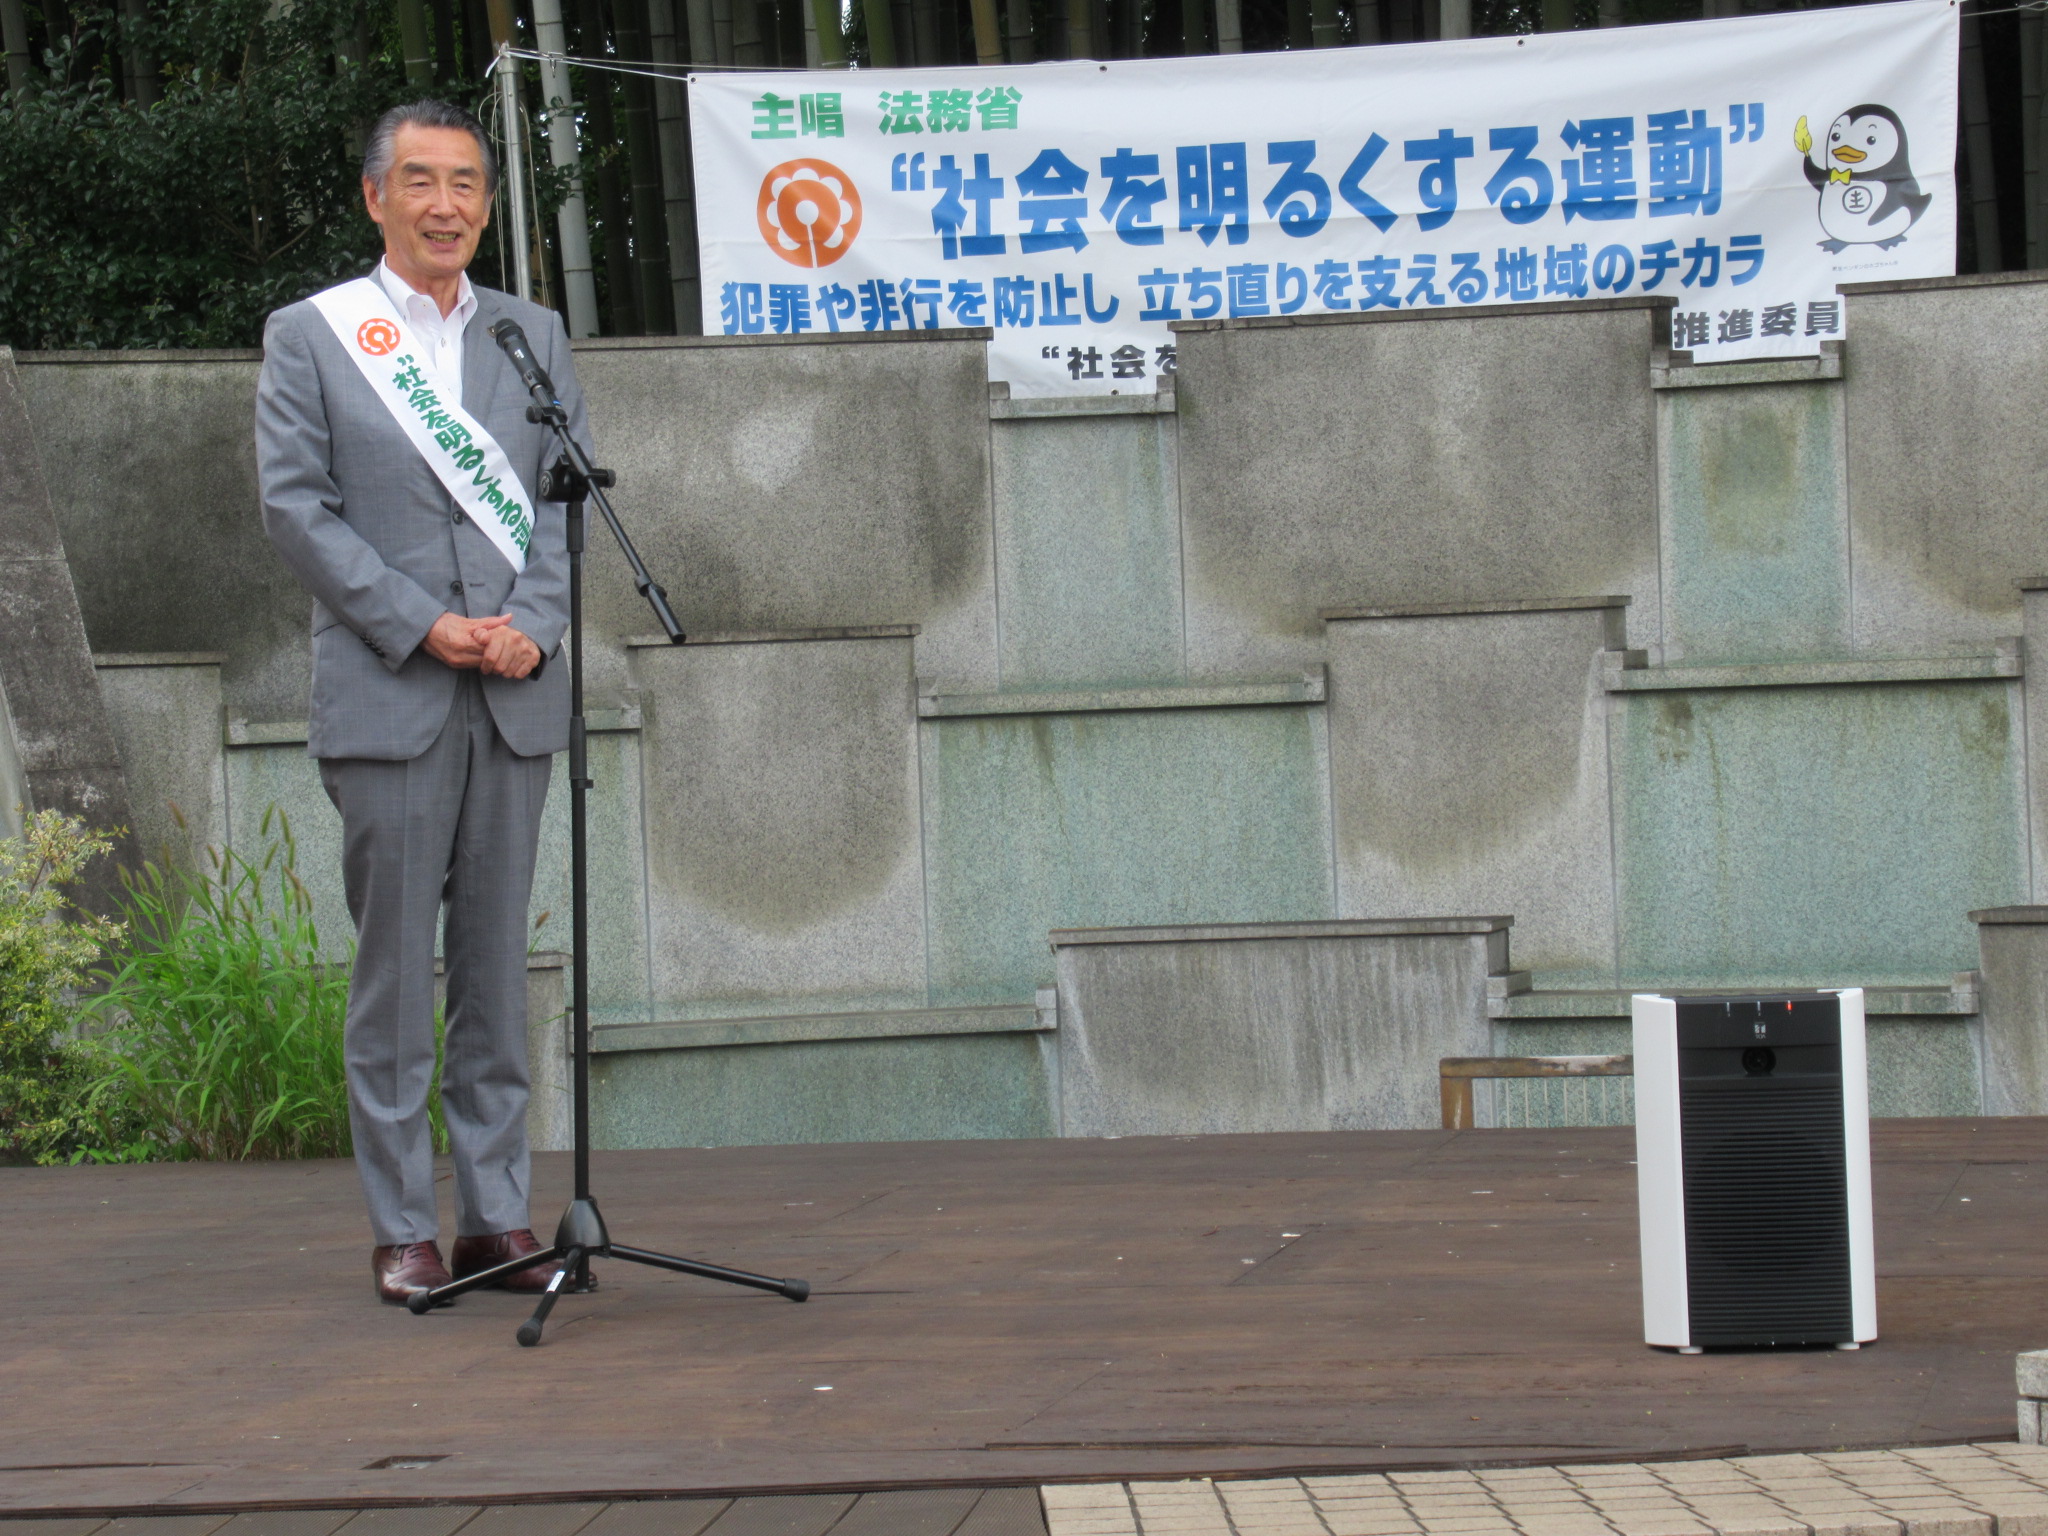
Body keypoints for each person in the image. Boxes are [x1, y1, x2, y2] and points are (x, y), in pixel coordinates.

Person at [256, 99, 590, 1306]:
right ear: (374, 198)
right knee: (398, 976)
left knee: (497, 974)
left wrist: (533, 629)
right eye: (420, 182)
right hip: (390, 689)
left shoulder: (529, 335)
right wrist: (419, 621)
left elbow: (558, 503)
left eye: (465, 183)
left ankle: (496, 1218)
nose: (445, 203)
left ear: (488, 204)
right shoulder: (314, 336)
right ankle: (402, 1224)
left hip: (510, 697)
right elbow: (296, 508)